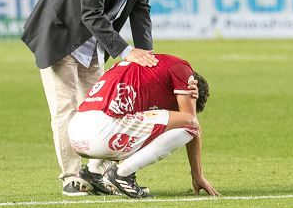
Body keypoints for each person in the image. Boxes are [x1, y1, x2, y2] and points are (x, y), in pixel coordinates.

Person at [21, 0, 171, 196]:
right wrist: (127, 52)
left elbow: (141, 9)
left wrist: (146, 54)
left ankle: (99, 173)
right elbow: (91, 12)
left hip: (93, 41)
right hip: (60, 36)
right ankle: (71, 177)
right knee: (66, 109)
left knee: (106, 109)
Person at [69, 54, 218, 198]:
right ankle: (123, 174)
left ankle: (92, 171)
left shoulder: (145, 72)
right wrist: (197, 175)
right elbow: (192, 123)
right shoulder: (182, 69)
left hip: (76, 132)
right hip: (102, 133)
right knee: (189, 124)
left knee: (138, 126)